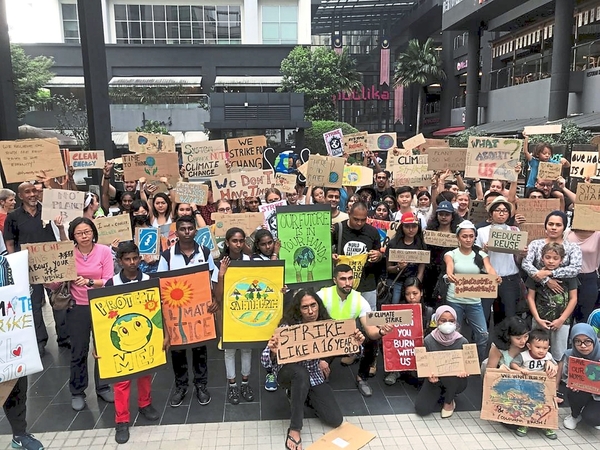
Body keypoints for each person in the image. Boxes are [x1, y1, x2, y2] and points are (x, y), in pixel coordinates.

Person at [262, 290, 357, 450]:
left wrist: (356, 342)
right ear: (298, 309)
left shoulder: (326, 324)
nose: (311, 311)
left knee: (335, 419)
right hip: (289, 373)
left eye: (313, 305)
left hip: (314, 376)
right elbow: (265, 362)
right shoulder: (287, 327)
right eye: (305, 307)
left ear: (318, 305)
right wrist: (272, 351)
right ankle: (295, 428)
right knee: (300, 374)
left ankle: (300, 395)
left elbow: (350, 349)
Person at [46, 217, 114, 411]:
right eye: (79, 233)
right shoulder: (67, 254)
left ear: (93, 232)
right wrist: (49, 280)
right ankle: (77, 391)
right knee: (79, 350)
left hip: (101, 305)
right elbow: (57, 283)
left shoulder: (104, 251)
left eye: (87, 232)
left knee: (103, 349)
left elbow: (109, 279)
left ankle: (103, 386)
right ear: (73, 236)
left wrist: (90, 282)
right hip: (77, 307)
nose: (84, 236)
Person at [157, 215, 217, 407]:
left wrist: (214, 298)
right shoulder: (167, 255)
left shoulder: (205, 252)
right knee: (178, 351)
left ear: (195, 231)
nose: (187, 232)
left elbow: (212, 277)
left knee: (200, 349)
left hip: (199, 312)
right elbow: (160, 282)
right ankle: (181, 386)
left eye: (190, 229)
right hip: (176, 312)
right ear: (177, 232)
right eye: (182, 229)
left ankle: (201, 385)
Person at [104, 242, 161, 444]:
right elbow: (102, 319)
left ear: (139, 258)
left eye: (135, 258)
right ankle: (122, 420)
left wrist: (165, 335)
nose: (132, 263)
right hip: (121, 341)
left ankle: (145, 404)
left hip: (144, 336)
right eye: (127, 259)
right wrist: (99, 345)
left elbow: (157, 311)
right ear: (119, 261)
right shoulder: (110, 284)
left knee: (145, 373)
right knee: (121, 381)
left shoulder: (149, 280)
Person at [4, 182, 69, 355]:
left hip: (52, 264)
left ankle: (64, 336)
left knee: (59, 300)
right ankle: (40, 341)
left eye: (34, 191)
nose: (32, 194)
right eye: (28, 192)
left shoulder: (49, 210)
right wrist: (14, 265)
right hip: (28, 266)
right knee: (34, 304)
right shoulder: (14, 217)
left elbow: (62, 230)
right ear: (20, 196)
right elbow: (10, 242)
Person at [317, 265, 392, 397]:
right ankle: (321, 368)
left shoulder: (359, 300)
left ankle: (362, 378)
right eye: (343, 279)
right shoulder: (322, 295)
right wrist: (318, 360)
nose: (347, 283)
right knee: (319, 379)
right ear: (335, 280)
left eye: (350, 278)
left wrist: (381, 332)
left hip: (347, 340)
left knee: (371, 341)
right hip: (325, 342)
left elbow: (370, 330)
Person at [445, 220, 500, 359]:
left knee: (483, 334)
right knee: (454, 332)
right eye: (464, 236)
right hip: (454, 299)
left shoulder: (481, 254)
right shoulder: (451, 254)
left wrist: (495, 277)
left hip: (474, 300)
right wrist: (450, 274)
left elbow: (489, 268)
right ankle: (456, 360)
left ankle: (478, 360)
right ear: (458, 237)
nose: (468, 239)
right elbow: (449, 266)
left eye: (471, 236)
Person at [213, 228, 255, 405]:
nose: (238, 244)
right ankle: (232, 385)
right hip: (227, 312)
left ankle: (245, 383)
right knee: (229, 350)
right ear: (227, 243)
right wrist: (222, 274)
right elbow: (218, 295)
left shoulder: (249, 260)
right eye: (234, 241)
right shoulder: (219, 263)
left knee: (247, 348)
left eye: (241, 241)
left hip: (246, 310)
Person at [525, 242, 578, 362]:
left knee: (559, 355)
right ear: (542, 258)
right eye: (547, 257)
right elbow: (530, 297)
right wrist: (537, 319)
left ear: (562, 259)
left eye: (555, 258)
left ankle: (557, 379)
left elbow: (573, 298)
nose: (551, 261)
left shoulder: (569, 276)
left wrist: (561, 319)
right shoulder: (536, 276)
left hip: (561, 322)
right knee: (537, 351)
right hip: (540, 320)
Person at [476, 196, 524, 324]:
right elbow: (475, 257)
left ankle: (503, 343)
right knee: (483, 315)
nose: (501, 213)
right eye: (498, 210)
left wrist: (522, 253)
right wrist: (484, 250)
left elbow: (518, 259)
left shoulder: (515, 230)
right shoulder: (481, 232)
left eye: (505, 211)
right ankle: (484, 343)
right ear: (491, 213)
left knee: (508, 317)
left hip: (509, 278)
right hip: (487, 278)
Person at [414, 306, 469, 418]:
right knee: (421, 409)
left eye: (451, 321)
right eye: (443, 321)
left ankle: (449, 401)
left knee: (452, 377)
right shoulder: (429, 340)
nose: (447, 324)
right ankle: (442, 393)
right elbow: (424, 363)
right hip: (436, 379)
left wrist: (465, 371)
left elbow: (469, 364)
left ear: (456, 322)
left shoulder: (463, 341)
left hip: (456, 381)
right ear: (437, 321)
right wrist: (428, 375)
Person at [332, 202, 382, 311]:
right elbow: (325, 251)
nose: (359, 223)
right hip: (344, 285)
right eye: (356, 219)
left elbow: (379, 254)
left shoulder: (373, 232)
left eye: (363, 220)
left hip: (367, 283)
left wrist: (378, 255)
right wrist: (332, 256)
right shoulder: (338, 229)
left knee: (369, 319)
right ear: (349, 214)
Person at [509, 329, 559, 440]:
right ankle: (524, 423)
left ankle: (547, 425)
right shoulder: (524, 356)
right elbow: (513, 364)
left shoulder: (548, 357)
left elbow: (556, 366)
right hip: (526, 387)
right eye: (538, 347)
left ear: (549, 348)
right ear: (529, 346)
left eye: (545, 348)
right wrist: (520, 369)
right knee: (526, 405)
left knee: (546, 406)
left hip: (543, 387)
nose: (541, 351)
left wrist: (554, 368)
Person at [384, 277, 434, 386]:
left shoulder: (429, 312)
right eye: (407, 294)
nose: (411, 297)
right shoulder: (397, 311)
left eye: (415, 293)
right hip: (401, 345)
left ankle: (417, 368)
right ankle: (395, 370)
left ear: (421, 293)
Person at [522, 211, 582, 301]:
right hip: (538, 291)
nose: (554, 228)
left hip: (565, 292)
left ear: (564, 227)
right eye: (551, 224)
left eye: (558, 225)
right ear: (546, 226)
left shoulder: (572, 247)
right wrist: (546, 280)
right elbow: (526, 264)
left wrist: (550, 273)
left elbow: (575, 268)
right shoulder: (535, 244)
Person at [560, 323, 600, 430]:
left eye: (587, 341)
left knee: (593, 418)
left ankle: (589, 412)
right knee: (573, 390)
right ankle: (575, 415)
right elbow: (565, 376)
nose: (582, 345)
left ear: (594, 340)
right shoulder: (570, 355)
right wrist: (572, 382)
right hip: (582, 392)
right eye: (577, 341)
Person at [385, 212, 426, 304]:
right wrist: (398, 267)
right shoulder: (393, 244)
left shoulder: (421, 244)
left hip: (413, 282)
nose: (411, 230)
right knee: (394, 307)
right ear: (402, 227)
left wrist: (416, 283)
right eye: (407, 226)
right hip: (396, 282)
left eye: (414, 226)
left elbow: (421, 269)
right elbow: (389, 268)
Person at [566, 226, 600, 323]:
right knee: (567, 317)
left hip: (589, 278)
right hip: (569, 277)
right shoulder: (567, 233)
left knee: (584, 317)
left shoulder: (597, 235)